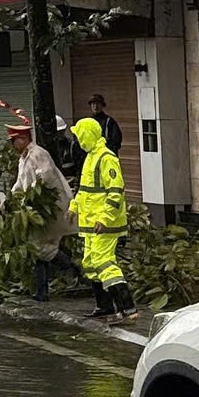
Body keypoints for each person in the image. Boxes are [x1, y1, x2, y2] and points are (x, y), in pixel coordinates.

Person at [71, 116, 137, 321]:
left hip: (104, 225)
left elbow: (115, 191)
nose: (78, 140)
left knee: (104, 262)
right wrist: (73, 207)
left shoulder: (106, 158)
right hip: (91, 224)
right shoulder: (91, 157)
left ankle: (128, 308)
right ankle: (105, 306)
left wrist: (105, 218)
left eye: (80, 135)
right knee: (91, 263)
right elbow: (85, 190)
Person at [7, 122, 78, 302]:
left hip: (50, 209)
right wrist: (11, 199)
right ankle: (42, 290)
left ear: (23, 139)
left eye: (14, 140)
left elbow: (45, 176)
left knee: (41, 246)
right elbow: (19, 182)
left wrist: (32, 192)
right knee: (40, 247)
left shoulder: (38, 153)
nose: (12, 145)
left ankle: (73, 270)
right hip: (35, 209)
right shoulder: (23, 157)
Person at [53, 115, 83, 183]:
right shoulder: (50, 147)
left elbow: (80, 167)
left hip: (70, 181)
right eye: (58, 132)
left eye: (61, 131)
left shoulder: (72, 145)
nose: (60, 134)